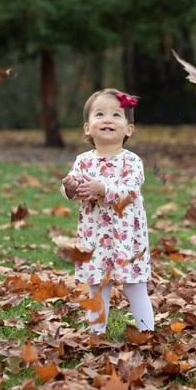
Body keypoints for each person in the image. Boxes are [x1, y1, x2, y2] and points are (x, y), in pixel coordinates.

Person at [61, 88, 154, 333]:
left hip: (127, 238)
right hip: (94, 237)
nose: (107, 119)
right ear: (87, 128)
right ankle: (96, 334)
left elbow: (130, 189)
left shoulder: (132, 161)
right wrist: (70, 188)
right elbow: (73, 191)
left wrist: (102, 188)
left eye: (116, 115)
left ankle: (147, 332)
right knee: (97, 287)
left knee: (135, 286)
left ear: (128, 129)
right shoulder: (83, 161)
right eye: (100, 114)